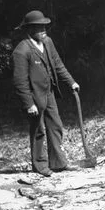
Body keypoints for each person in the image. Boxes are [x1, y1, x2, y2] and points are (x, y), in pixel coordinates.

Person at [12, 10, 80, 176]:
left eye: (44, 27)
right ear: (29, 30)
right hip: (34, 96)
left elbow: (58, 64)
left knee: (55, 126)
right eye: (38, 28)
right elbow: (19, 81)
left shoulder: (47, 42)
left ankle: (58, 163)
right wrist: (29, 104)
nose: (43, 31)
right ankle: (40, 166)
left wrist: (71, 82)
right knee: (38, 130)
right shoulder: (21, 51)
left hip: (49, 92)